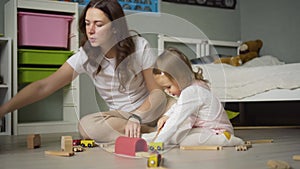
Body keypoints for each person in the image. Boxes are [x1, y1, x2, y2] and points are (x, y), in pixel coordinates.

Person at [0, 0, 169, 143]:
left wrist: (137, 116)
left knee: (183, 103)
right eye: (88, 24)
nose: (91, 30)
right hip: (121, 118)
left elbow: (157, 93)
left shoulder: (139, 46)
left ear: (116, 28)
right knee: (86, 127)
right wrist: (3, 110)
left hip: (150, 108)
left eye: (99, 24)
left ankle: (151, 128)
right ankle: (151, 132)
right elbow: (43, 86)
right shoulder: (85, 56)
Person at [142, 47, 244, 146]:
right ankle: (148, 138)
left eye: (168, 87)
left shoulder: (192, 91)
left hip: (219, 131)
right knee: (179, 134)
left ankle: (226, 140)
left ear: (180, 77)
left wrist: (158, 142)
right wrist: (166, 116)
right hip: (204, 129)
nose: (167, 91)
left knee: (185, 140)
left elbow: (175, 120)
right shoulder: (194, 86)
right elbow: (178, 106)